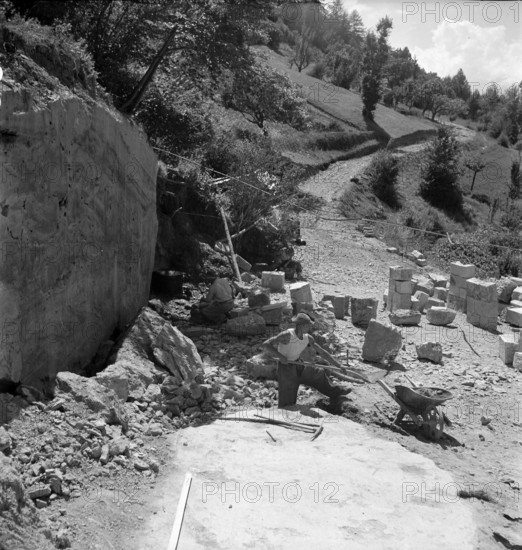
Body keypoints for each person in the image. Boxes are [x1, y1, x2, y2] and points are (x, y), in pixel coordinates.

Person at [262, 313, 351, 407]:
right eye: (308, 325)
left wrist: (339, 365)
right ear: (302, 325)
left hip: (299, 364)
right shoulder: (287, 335)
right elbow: (266, 344)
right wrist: (280, 357)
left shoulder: (307, 338)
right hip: (285, 370)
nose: (310, 327)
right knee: (287, 403)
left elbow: (322, 352)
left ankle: (336, 392)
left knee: (318, 373)